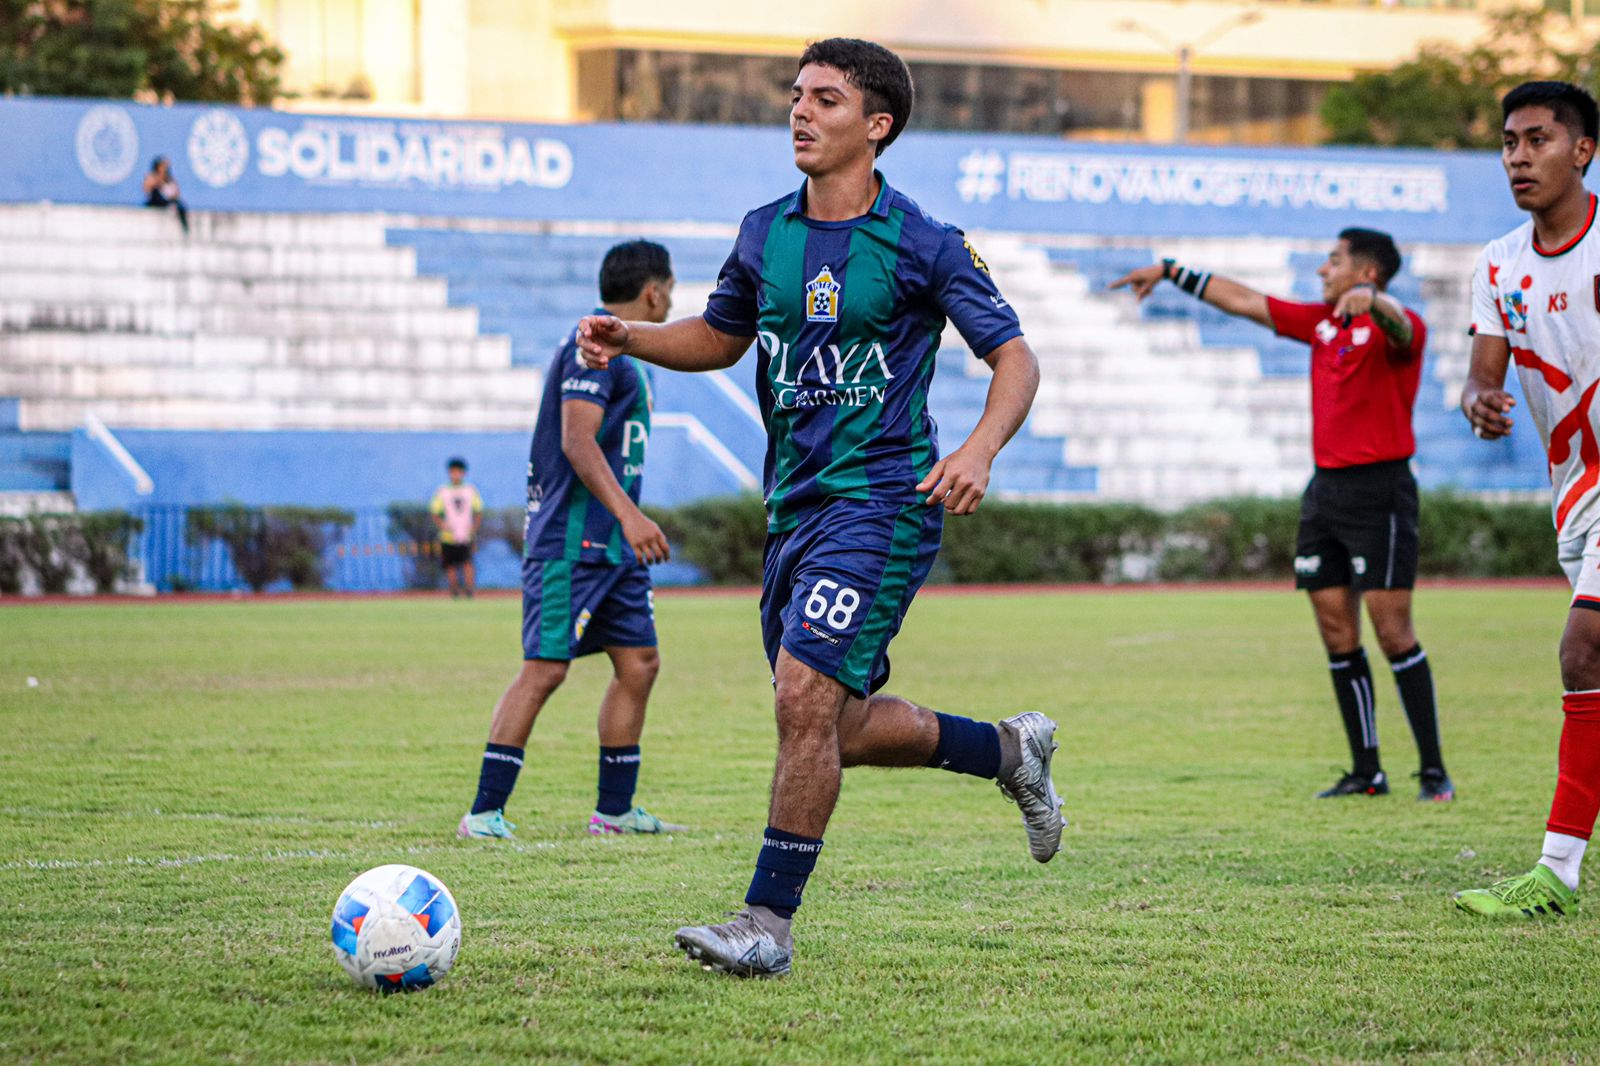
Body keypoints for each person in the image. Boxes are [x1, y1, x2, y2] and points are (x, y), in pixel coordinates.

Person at [575, 38, 1063, 979]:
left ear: (877, 125)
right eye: (796, 95)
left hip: (882, 503)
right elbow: (721, 337)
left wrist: (977, 450)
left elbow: (1016, 357)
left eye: (826, 99)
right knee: (831, 725)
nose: (800, 112)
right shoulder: (766, 232)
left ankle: (767, 922)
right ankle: (1006, 751)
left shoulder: (924, 241)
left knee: (803, 696)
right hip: (793, 509)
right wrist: (629, 335)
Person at [1111, 231, 1452, 804]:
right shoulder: (1320, 323)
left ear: (1367, 273)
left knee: (1393, 633)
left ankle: (1434, 773)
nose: (1323, 270)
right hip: (1325, 493)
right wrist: (1171, 270)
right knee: (1337, 633)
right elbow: (1246, 301)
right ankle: (1367, 772)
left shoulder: (1401, 327)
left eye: (1335, 261)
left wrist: (1378, 304)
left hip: (1382, 491)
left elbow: (1400, 326)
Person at [459, 240, 681, 841]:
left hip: (615, 549)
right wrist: (632, 516)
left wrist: (625, 527)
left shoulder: (625, 353)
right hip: (571, 543)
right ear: (653, 292)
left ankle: (614, 812)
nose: (669, 303)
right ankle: (483, 814)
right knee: (545, 669)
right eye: (669, 291)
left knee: (639, 663)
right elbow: (576, 441)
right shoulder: (593, 346)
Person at [1455, 80, 1600, 918]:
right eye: (1509, 142)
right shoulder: (1498, 262)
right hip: (1575, 495)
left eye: (1538, 139)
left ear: (1582, 150)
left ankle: (1556, 873)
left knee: (1584, 650)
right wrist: (1481, 403)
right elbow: (1484, 374)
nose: (1518, 156)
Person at [430, 458, 482, 598]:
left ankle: (469, 591)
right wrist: (442, 525)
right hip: (448, 535)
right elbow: (435, 512)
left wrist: (474, 528)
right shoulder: (442, 491)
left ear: (464, 473)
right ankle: (454, 591)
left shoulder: (470, 490)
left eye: (459, 471)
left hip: (466, 534)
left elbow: (478, 511)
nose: (456, 475)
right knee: (450, 564)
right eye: (453, 472)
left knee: (467, 562)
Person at [142, 157, 188, 234]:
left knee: (180, 205)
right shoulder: (151, 177)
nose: (164, 169)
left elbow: (177, 193)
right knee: (156, 192)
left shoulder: (170, 179)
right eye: (162, 166)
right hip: (155, 201)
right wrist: (158, 181)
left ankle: (185, 228)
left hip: (167, 201)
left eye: (165, 167)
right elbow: (146, 190)